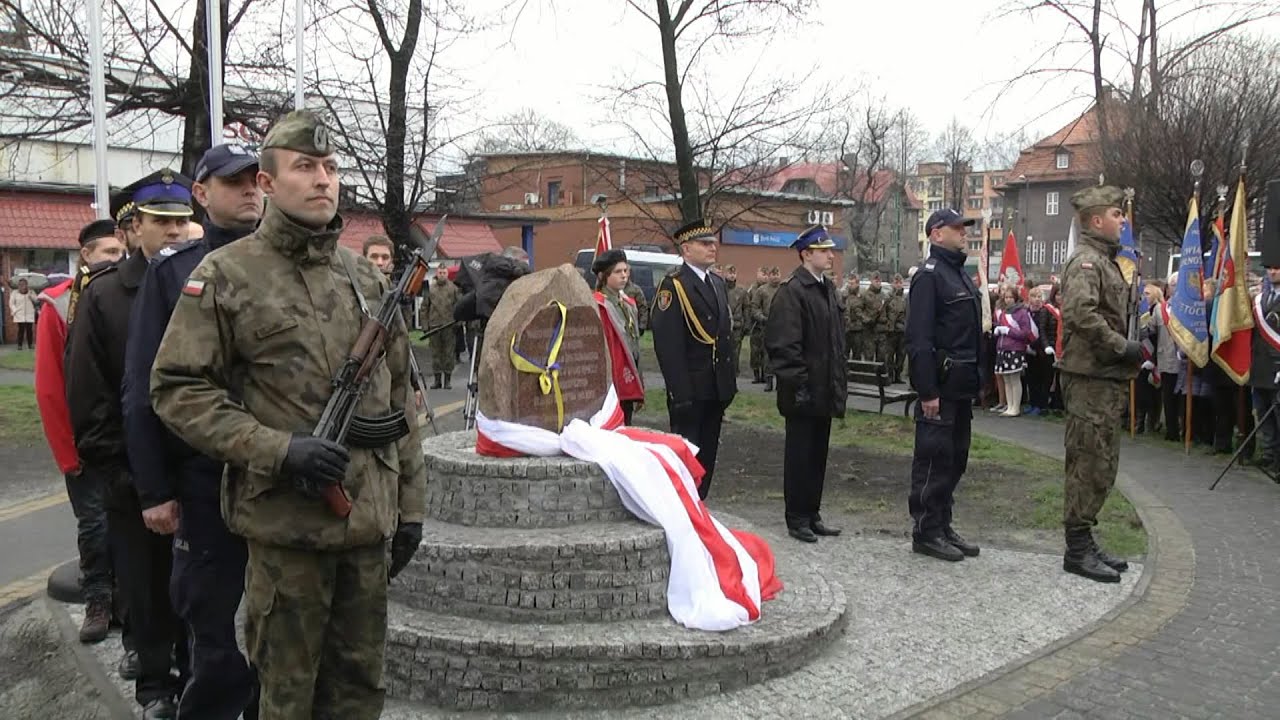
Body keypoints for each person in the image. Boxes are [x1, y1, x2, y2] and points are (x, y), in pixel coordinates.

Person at [149, 110, 426, 720]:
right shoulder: (226, 274)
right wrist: (276, 448)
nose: (323, 179)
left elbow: (399, 398)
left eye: (329, 167)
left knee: (360, 690)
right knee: (286, 695)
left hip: (367, 529)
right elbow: (176, 389)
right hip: (287, 531)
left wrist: (411, 509)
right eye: (305, 167)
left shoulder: (365, 277)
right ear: (268, 184)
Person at [122, 144, 263, 720]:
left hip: (284, 477)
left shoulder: (291, 267)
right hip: (206, 481)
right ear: (202, 195)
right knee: (214, 633)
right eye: (235, 182)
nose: (252, 190)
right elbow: (143, 386)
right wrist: (155, 489)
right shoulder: (175, 273)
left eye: (257, 180)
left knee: (281, 634)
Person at [67, 170, 193, 718]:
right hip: (134, 477)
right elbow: (89, 396)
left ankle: (196, 679)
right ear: (134, 224)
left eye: (180, 220)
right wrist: (124, 478)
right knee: (145, 592)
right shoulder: (106, 295)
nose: (172, 231)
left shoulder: (204, 281)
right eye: (160, 221)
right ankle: (155, 687)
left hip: (199, 470)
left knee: (199, 591)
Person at [34, 219, 124, 644]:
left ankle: (130, 603)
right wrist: (68, 454)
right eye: (107, 252)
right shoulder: (57, 305)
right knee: (95, 525)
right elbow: (50, 387)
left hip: (125, 439)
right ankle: (99, 599)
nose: (115, 260)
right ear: (85, 255)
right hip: (85, 444)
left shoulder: (131, 295)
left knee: (133, 527)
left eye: (119, 252)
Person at [1058, 185, 1142, 583]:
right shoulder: (1087, 263)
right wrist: (1121, 346)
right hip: (1089, 377)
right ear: (1095, 220)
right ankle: (1076, 548)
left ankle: (1085, 538)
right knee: (1087, 461)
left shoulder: (1107, 262)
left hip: (1104, 377)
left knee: (1103, 463)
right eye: (1115, 214)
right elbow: (1079, 313)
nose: (1122, 220)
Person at [905, 209, 983, 562]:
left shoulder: (959, 275)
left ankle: (943, 522)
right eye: (956, 228)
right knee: (934, 459)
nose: (963, 233)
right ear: (936, 234)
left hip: (961, 386)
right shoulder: (930, 277)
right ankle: (926, 529)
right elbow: (919, 339)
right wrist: (927, 391)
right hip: (940, 386)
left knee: (955, 459)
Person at [764, 226, 847, 543]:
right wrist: (798, 386)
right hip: (803, 391)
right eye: (823, 250)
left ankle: (812, 513)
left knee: (817, 456)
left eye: (830, 250)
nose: (830, 255)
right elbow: (785, 345)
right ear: (806, 254)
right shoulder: (793, 291)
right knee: (799, 456)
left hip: (824, 389)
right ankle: (797, 516)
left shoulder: (826, 288)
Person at [651, 219, 737, 500]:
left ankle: (701, 506)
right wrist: (680, 393)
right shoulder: (674, 286)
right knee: (688, 456)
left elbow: (724, 337)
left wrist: (729, 382)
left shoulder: (717, 283)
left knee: (708, 455)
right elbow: (668, 345)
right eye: (704, 244)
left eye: (713, 243)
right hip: (691, 389)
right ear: (686, 249)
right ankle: (685, 511)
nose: (713, 248)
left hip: (716, 387)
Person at [592, 249, 645, 424]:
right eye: (617, 272)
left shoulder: (629, 304)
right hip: (611, 380)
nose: (624, 276)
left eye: (626, 271)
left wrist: (640, 382)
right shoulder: (598, 305)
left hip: (629, 374)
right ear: (603, 276)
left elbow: (635, 346)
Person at [1251, 263, 1280, 477]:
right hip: (1260, 367)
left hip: (1277, 366)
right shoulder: (1261, 299)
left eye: (1277, 268)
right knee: (1264, 414)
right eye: (1270, 268)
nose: (1273, 272)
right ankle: (1269, 455)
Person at [993, 283, 1036, 418]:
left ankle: (1015, 407)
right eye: (1006, 297)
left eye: (1011, 297)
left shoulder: (1021, 312)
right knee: (1006, 379)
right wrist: (997, 329)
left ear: (1016, 298)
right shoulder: (1004, 313)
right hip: (1003, 348)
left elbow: (1026, 333)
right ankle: (1009, 405)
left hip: (1015, 349)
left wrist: (1008, 331)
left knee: (1014, 378)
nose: (1008, 300)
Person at [422, 264, 461, 388]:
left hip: (449, 325)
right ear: (437, 273)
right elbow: (424, 308)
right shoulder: (430, 289)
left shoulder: (453, 288)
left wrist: (458, 322)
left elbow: (459, 305)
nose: (442, 275)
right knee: (436, 353)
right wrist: (424, 325)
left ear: (447, 274)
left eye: (444, 273)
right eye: (440, 273)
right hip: (434, 326)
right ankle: (437, 380)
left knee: (449, 353)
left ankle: (447, 380)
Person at [723, 263, 749, 377]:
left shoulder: (742, 291)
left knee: (735, 351)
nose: (732, 275)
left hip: (737, 326)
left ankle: (734, 373)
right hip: (723, 325)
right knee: (723, 349)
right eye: (730, 273)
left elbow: (746, 308)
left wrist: (747, 324)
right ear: (725, 274)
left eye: (734, 273)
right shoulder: (720, 288)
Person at [747, 268, 768, 383]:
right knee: (755, 352)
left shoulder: (770, 289)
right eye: (762, 274)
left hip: (767, 326)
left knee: (765, 352)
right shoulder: (752, 289)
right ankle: (756, 375)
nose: (764, 277)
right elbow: (749, 306)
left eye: (766, 274)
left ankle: (765, 375)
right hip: (755, 325)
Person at [885, 274, 908, 383]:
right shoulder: (888, 297)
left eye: (900, 282)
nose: (898, 285)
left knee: (901, 354)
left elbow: (908, 313)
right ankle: (890, 375)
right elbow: (883, 312)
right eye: (896, 282)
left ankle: (898, 375)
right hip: (891, 330)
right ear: (892, 283)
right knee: (889, 355)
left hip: (902, 330)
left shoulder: (905, 298)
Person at [9, 277, 35, 348]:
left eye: (24, 284)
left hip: (29, 314)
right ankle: (19, 345)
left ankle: (30, 344)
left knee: (29, 330)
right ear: (18, 285)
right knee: (21, 330)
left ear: (27, 285)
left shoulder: (31, 292)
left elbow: (36, 302)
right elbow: (11, 303)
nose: (22, 286)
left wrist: (31, 297)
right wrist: (15, 311)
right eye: (20, 284)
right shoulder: (14, 293)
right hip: (19, 314)